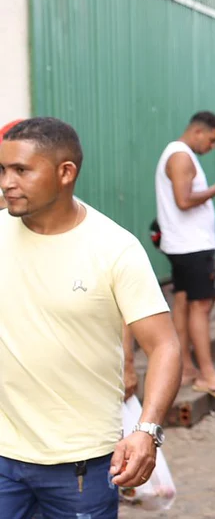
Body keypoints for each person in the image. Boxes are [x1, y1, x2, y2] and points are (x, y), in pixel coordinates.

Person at [0, 117, 183, 518]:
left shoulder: (114, 248)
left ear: (66, 173)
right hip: (3, 459)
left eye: (21, 170)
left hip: (82, 464)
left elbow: (165, 344)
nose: (7, 182)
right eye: (3, 170)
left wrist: (147, 431)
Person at [155, 110, 215, 402]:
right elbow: (183, 200)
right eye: (212, 141)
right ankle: (207, 373)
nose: (212, 147)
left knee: (183, 301)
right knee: (201, 306)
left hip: (184, 244)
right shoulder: (181, 156)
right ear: (198, 132)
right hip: (191, 246)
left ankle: (187, 367)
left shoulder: (178, 154)